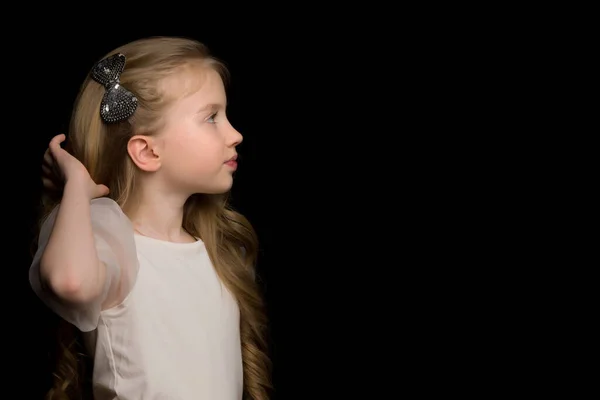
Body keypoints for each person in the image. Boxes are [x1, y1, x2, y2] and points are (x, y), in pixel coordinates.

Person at [29, 36, 271, 400]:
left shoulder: (222, 252)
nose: (235, 134)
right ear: (146, 151)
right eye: (211, 118)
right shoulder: (112, 248)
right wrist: (77, 187)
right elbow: (70, 282)